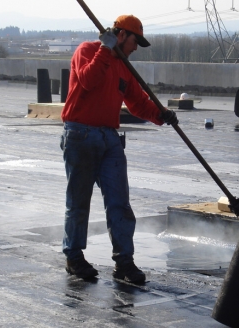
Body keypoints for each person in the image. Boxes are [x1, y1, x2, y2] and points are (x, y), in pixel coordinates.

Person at [60, 15, 178, 283]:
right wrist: (105, 48)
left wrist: (162, 114)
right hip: (80, 133)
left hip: (109, 138)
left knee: (119, 203)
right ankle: (74, 256)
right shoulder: (87, 51)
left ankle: (124, 262)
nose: (136, 49)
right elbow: (88, 80)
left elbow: (138, 102)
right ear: (121, 35)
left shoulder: (124, 68)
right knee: (78, 202)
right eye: (135, 41)